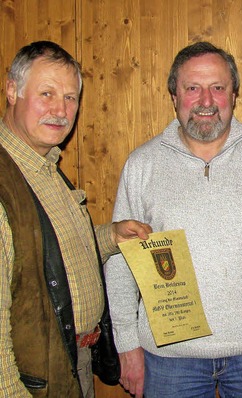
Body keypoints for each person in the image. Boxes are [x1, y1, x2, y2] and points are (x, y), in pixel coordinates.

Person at [105, 41, 242, 398]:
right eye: (192, 88)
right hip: (169, 359)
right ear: (174, 95)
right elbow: (122, 264)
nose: (205, 101)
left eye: (218, 87)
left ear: (234, 95)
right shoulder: (143, 165)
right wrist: (126, 345)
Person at [0, 41, 151, 397]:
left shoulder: (44, 167)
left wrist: (110, 237)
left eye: (70, 98)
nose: (61, 110)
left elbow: (48, 258)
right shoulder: (7, 182)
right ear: (11, 90)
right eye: (47, 93)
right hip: (29, 379)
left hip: (67, 363)